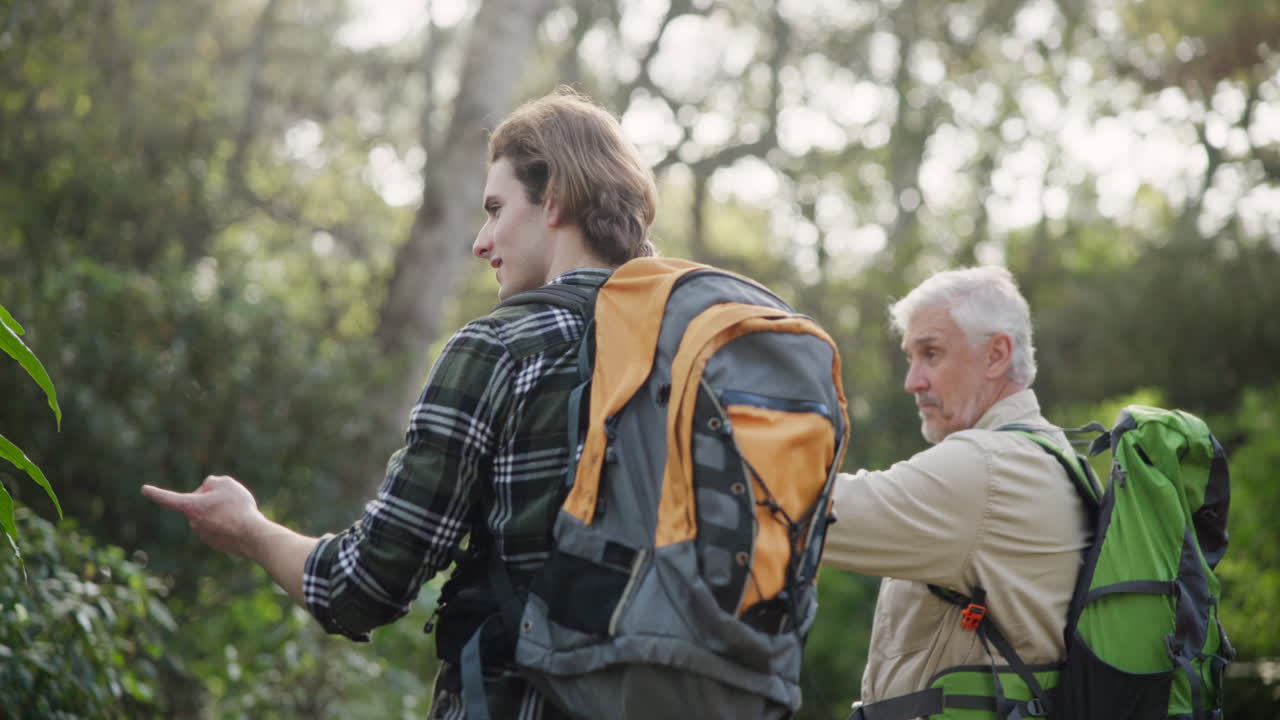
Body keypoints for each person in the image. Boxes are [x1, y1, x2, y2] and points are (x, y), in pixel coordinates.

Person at [142, 87, 658, 719]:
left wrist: (249, 530)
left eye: (495, 209)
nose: (480, 241)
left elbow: (363, 587)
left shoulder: (499, 348)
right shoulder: (692, 355)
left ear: (553, 198)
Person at [820, 266, 1090, 718]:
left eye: (931, 354)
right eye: (911, 357)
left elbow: (801, 513)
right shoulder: (1050, 453)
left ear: (996, 355)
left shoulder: (988, 467)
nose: (912, 381)